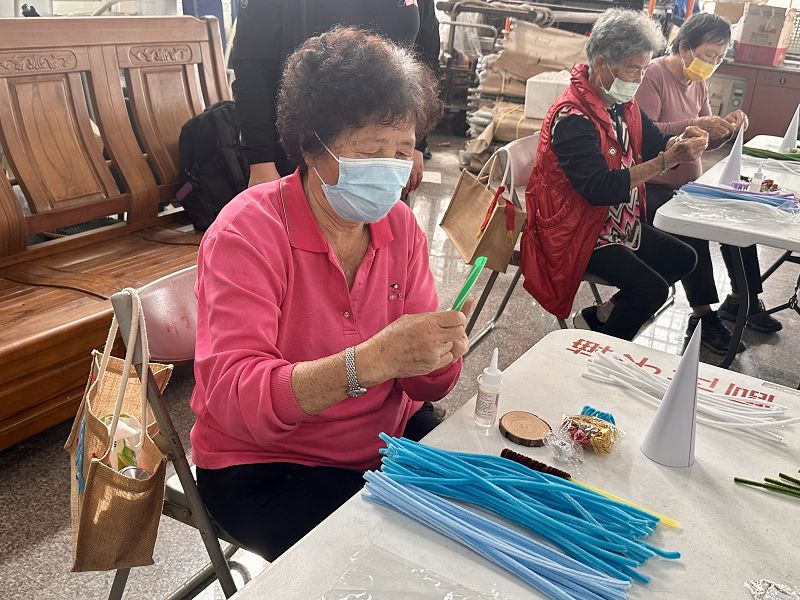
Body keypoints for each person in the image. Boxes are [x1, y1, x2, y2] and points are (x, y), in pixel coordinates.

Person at [190, 28, 470, 561]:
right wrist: (371, 361)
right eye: (370, 150)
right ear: (310, 146)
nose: (389, 169)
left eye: (402, 151)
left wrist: (438, 352)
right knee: (392, 565)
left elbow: (423, 386)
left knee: (483, 523)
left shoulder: (400, 227)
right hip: (270, 465)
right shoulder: (248, 233)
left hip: (384, 441)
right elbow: (236, 396)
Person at [520, 8, 704, 342]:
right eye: (634, 68)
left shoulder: (621, 103)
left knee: (683, 258)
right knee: (651, 290)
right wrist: (666, 161)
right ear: (602, 63)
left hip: (614, 223)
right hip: (575, 231)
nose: (640, 78)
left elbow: (655, 143)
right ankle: (601, 354)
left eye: (644, 69)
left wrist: (680, 143)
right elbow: (599, 189)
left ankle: (600, 317)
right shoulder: (573, 117)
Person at [636, 12, 782, 354]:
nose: (712, 64)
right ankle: (702, 316)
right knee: (692, 226)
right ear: (684, 48)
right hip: (653, 183)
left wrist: (726, 128)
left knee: (737, 211)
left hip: (689, 182)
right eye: (707, 55)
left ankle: (743, 298)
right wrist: (699, 122)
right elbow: (647, 133)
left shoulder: (698, 82)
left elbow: (703, 138)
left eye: (719, 57)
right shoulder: (654, 75)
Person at [230, 0, 440, 193]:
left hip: (390, 156)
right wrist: (261, 161)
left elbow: (426, 57)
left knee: (383, 221)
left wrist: (415, 144)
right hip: (308, 151)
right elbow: (252, 69)